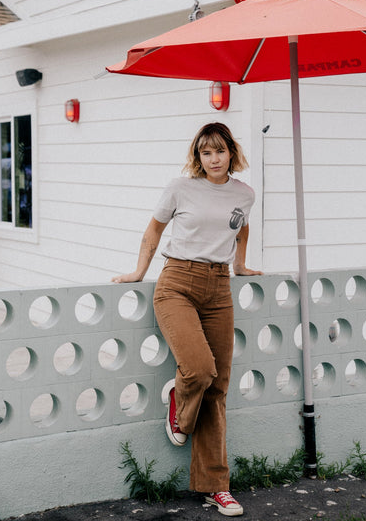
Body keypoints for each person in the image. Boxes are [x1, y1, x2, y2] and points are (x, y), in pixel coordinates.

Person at [112, 122, 262, 517]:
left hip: (219, 287)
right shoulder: (180, 187)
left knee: (218, 388)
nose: (213, 159)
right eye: (205, 152)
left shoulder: (244, 194)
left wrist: (241, 265)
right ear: (198, 156)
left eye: (220, 151)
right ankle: (179, 402)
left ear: (232, 152)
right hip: (177, 282)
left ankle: (217, 487)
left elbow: (241, 229)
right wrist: (137, 273)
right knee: (198, 369)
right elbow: (154, 231)